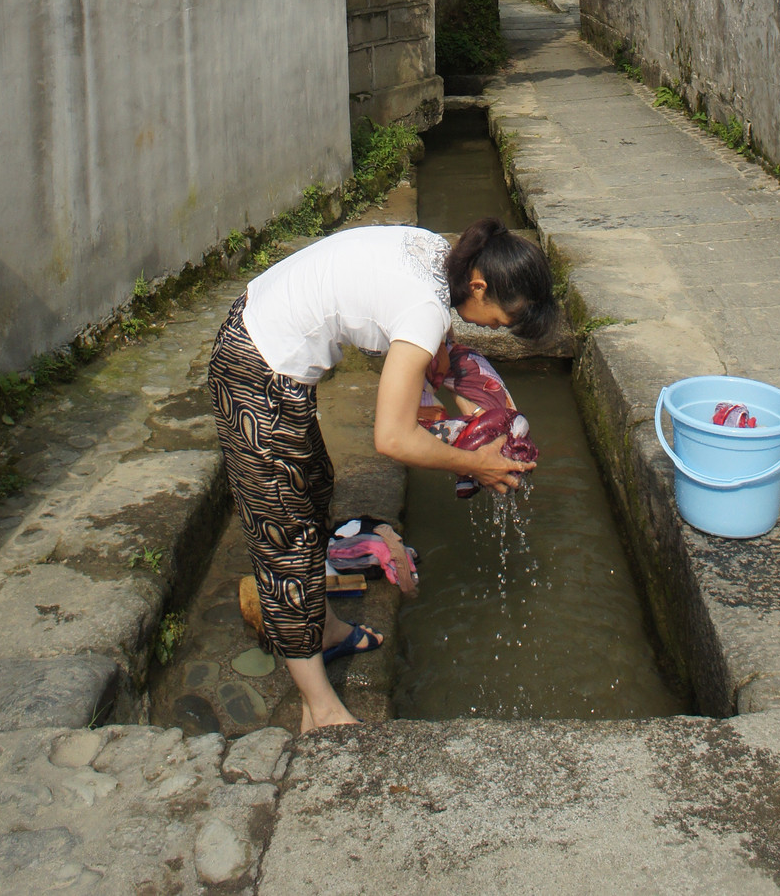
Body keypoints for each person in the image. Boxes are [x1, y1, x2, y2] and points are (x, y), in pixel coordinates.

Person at [207, 215, 555, 732]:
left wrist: (490, 417)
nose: (496, 328)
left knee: (315, 485)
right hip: (253, 366)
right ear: (479, 285)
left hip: (269, 344)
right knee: (286, 535)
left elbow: (440, 366)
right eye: (503, 318)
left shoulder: (440, 254)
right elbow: (391, 437)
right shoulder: (424, 311)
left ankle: (321, 630)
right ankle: (320, 710)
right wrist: (475, 462)